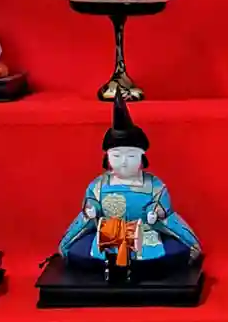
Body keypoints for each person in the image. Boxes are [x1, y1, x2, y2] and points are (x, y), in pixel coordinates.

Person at [57, 108, 201, 279]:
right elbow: (91, 202)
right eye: (117, 156)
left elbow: (164, 209)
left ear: (142, 157)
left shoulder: (154, 186)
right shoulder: (99, 185)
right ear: (107, 157)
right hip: (108, 235)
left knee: (168, 253)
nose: (124, 162)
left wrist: (155, 213)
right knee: (79, 251)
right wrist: (92, 210)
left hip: (145, 233)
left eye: (131, 156)